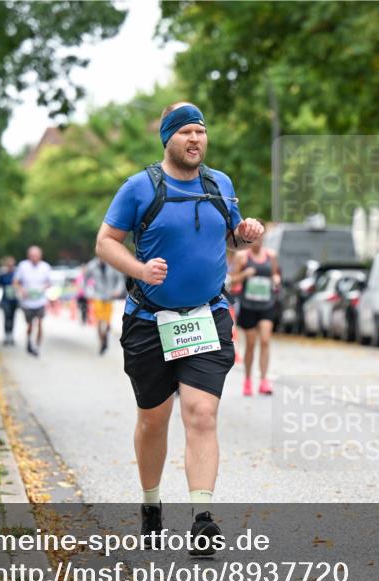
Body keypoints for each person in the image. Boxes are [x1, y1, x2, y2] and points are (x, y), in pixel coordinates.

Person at [95, 102, 264, 555]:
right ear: (168, 138)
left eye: (201, 132)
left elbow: (232, 238)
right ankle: (151, 503)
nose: (195, 139)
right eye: (186, 131)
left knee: (201, 414)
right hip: (149, 321)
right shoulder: (139, 187)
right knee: (154, 419)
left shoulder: (219, 184)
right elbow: (105, 242)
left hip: (207, 317)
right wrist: (140, 268)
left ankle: (202, 518)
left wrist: (247, 233)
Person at [228, 231, 281, 395]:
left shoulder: (271, 255)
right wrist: (244, 274)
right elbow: (231, 280)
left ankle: (264, 381)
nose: (258, 241)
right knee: (251, 345)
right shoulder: (242, 257)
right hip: (248, 305)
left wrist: (276, 279)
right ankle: (248, 380)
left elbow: (275, 273)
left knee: (265, 340)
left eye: (260, 238)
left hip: (267, 304)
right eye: (254, 238)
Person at [13, 246, 52, 357]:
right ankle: (29, 340)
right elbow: (16, 282)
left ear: (40, 255)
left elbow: (49, 282)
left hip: (40, 301)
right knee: (30, 325)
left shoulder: (45, 267)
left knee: (40, 322)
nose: (34, 257)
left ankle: (37, 346)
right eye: (32, 255)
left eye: (36, 255)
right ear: (29, 256)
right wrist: (22, 290)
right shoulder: (23, 266)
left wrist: (43, 288)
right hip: (27, 302)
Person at [84, 256, 126, 355]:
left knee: (107, 322)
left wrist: (117, 291)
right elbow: (85, 280)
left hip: (109, 296)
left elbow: (120, 280)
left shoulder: (112, 264)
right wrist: (88, 292)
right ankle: (102, 342)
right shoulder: (92, 265)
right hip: (97, 296)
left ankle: (105, 338)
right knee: (99, 320)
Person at [0, 256, 19, 346]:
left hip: (14, 300)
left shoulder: (16, 275)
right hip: (6, 300)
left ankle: (11, 336)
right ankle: (6, 336)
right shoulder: (3, 276)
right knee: (7, 317)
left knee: (13, 318)